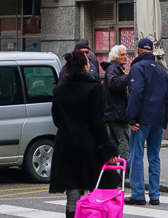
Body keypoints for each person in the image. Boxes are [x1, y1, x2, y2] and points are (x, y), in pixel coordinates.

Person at [50, 48, 119, 218]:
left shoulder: (59, 90)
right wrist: (109, 148)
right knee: (97, 189)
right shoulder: (95, 88)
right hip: (89, 145)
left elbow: (57, 120)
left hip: (66, 145)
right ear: (86, 67)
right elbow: (99, 122)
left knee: (72, 191)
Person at [126, 37, 168, 206]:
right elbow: (167, 98)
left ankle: (138, 195)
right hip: (158, 120)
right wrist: (164, 122)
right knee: (154, 157)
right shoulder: (161, 71)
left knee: (136, 156)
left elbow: (136, 92)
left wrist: (131, 118)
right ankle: (154, 195)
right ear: (152, 51)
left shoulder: (137, 68)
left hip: (141, 119)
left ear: (138, 50)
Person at [102, 44, 132, 183]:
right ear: (115, 57)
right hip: (117, 114)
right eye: (123, 55)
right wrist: (129, 77)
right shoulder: (113, 69)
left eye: (126, 54)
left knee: (115, 143)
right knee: (123, 142)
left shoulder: (115, 68)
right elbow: (114, 84)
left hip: (114, 113)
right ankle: (125, 170)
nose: (126, 57)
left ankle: (114, 172)